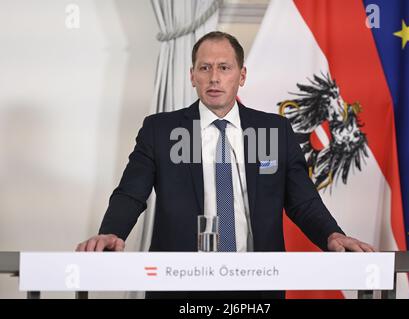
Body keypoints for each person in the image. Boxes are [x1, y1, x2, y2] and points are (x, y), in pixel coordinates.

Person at [76, 31, 375, 299]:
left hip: (258, 284)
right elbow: (131, 192)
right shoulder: (161, 131)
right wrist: (111, 232)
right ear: (192, 75)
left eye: (224, 68)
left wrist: (332, 235)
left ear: (241, 75)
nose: (214, 78)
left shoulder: (275, 131)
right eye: (205, 68)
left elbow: (302, 201)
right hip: (180, 284)